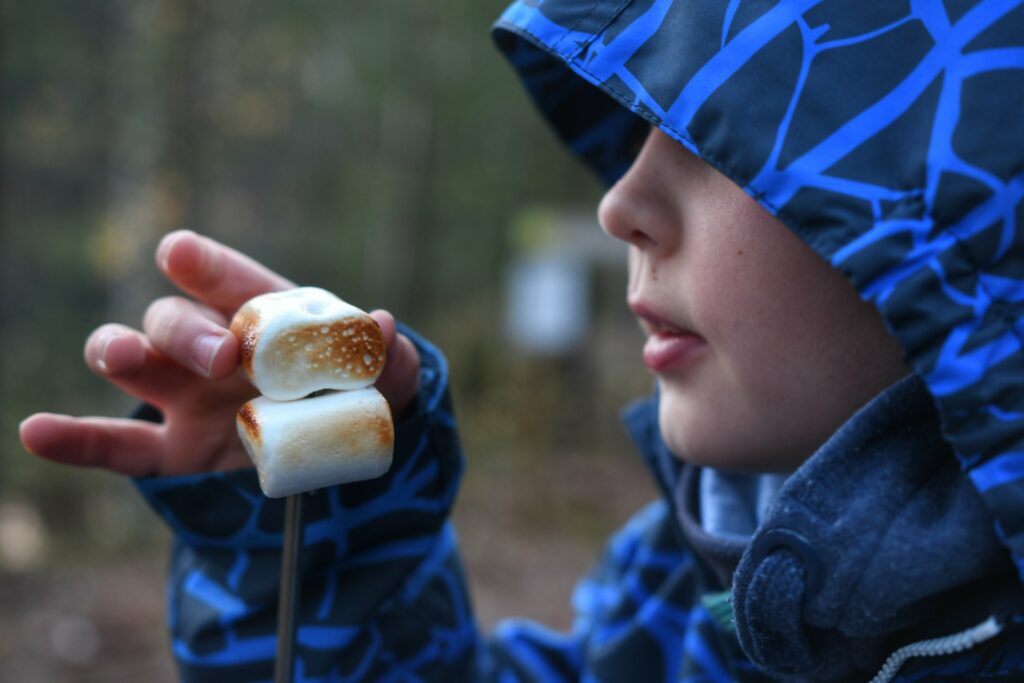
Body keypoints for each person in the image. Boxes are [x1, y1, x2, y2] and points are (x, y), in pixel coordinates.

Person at [19, 1, 1024, 680]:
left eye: (727, 140)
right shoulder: (697, 579)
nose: (621, 202)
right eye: (635, 131)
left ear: (970, 218)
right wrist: (315, 543)